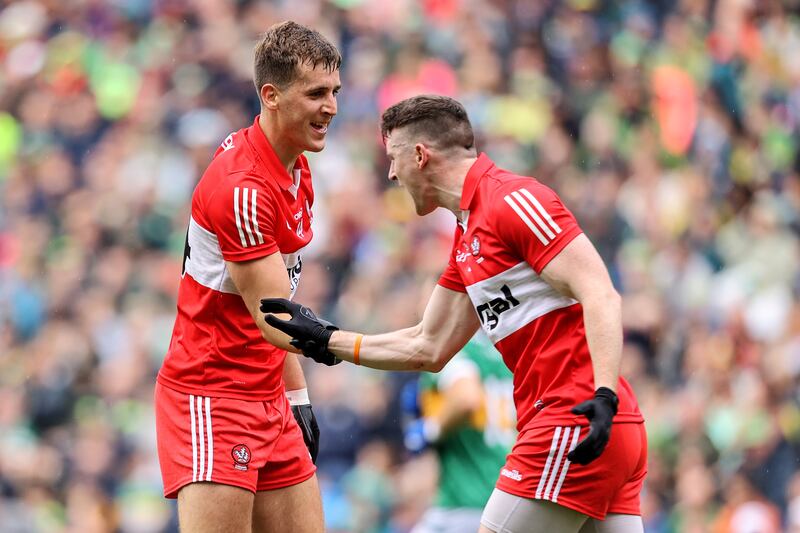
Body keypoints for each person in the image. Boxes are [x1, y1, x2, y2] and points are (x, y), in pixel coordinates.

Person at [261, 95, 648, 533]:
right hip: (596, 423)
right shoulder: (468, 236)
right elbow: (428, 345)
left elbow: (601, 293)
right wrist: (327, 340)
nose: (391, 173)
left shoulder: (511, 200)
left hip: (572, 416)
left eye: (393, 158)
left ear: (420, 155)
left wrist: (603, 395)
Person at [154, 21, 341, 533]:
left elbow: (277, 304)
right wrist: (376, 348)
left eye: (335, 92)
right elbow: (279, 321)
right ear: (271, 95)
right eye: (316, 94)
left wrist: (297, 398)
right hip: (213, 396)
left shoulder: (296, 167)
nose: (331, 107)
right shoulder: (243, 187)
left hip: (267, 393)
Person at [402, 332, 516, 533]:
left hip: (465, 499)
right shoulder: (507, 354)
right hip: (507, 495)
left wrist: (431, 429)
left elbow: (467, 398)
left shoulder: (452, 351)